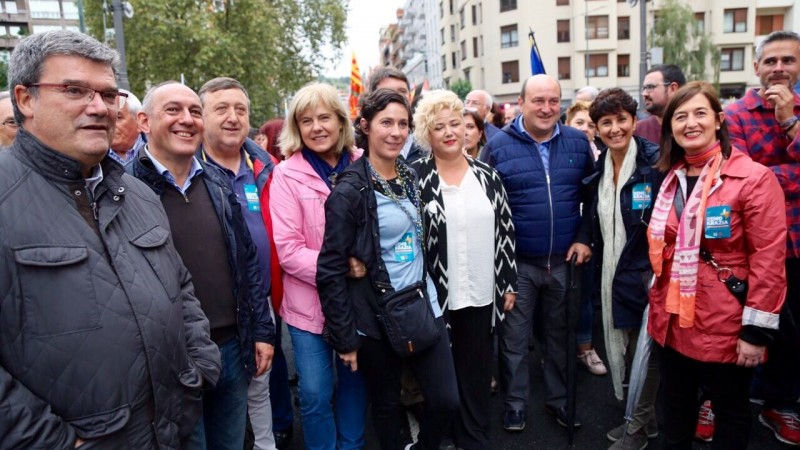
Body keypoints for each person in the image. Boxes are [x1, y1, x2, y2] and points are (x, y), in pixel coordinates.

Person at [0, 29, 220, 448]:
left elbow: (181, 288)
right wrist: (56, 442)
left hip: (170, 432)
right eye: (75, 90)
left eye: (108, 93)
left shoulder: (136, 193)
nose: (99, 107)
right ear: (26, 99)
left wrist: (199, 368)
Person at [131, 81, 276, 450]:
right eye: (173, 110)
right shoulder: (124, 189)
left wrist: (260, 330)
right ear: (144, 121)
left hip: (232, 346)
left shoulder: (216, 182)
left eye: (194, 111)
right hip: (171, 359)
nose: (187, 120)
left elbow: (247, 264)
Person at [317, 88, 459, 450]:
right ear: (364, 126)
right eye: (386, 123)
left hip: (422, 305)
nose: (396, 132)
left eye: (403, 124)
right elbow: (330, 271)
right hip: (377, 317)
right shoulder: (349, 190)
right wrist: (346, 338)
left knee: (445, 401)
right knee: (386, 407)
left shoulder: (410, 175)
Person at [648, 81, 786, 450]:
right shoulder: (668, 178)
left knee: (730, 413)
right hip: (672, 320)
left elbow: (769, 260)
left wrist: (756, 334)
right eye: (680, 116)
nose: (690, 123)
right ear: (670, 128)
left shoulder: (753, 178)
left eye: (699, 113)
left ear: (719, 120)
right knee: (674, 411)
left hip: (724, 322)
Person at [481, 74, 595, 432]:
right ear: (521, 103)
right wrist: (501, 268)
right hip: (519, 266)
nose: (546, 108)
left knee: (560, 338)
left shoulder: (578, 143)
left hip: (564, 262)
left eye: (553, 101)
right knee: (514, 341)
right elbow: (486, 206)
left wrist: (584, 236)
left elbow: (592, 200)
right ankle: (515, 405)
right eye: (538, 100)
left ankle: (559, 401)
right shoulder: (498, 146)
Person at [412, 89, 517, 450]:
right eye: (438, 126)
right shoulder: (415, 179)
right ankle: (442, 435)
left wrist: (508, 282)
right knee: (441, 375)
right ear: (428, 134)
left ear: (468, 128)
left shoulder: (488, 175)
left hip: (481, 292)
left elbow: (505, 230)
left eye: (455, 123)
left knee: (475, 371)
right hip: (437, 295)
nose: (449, 132)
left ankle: (473, 437)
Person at [269, 82, 367, 450]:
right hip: (307, 305)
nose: (317, 127)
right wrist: (341, 267)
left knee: (355, 383)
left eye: (324, 117)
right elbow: (288, 250)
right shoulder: (286, 174)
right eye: (306, 120)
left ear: (341, 122)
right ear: (296, 127)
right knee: (314, 393)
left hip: (358, 303)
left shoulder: (364, 163)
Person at [196, 77, 292, 450]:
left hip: (262, 298)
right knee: (216, 404)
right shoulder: (188, 170)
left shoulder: (266, 167)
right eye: (221, 108)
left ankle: (267, 443)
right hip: (210, 312)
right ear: (202, 116)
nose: (233, 117)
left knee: (259, 386)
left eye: (240, 109)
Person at [724, 30, 800, 446]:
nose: (779, 69)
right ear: (757, 68)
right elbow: (741, 178)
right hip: (750, 242)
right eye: (771, 61)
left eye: (788, 61)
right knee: (742, 321)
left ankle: (779, 403)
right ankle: (727, 399)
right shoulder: (736, 113)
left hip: (797, 242)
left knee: (790, 329)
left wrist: (789, 122)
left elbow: (757, 176)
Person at [584, 88, 662, 449]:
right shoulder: (600, 166)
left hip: (646, 273)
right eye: (606, 122)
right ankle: (645, 421)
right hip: (613, 273)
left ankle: (637, 426)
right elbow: (595, 217)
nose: (615, 128)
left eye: (621, 120)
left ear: (634, 121)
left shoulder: (654, 163)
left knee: (644, 354)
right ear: (597, 128)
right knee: (630, 351)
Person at [564, 100, 607, 379]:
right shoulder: (563, 152)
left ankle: (586, 347)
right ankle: (555, 353)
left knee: (587, 297)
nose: (586, 129)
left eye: (592, 125)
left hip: (589, 236)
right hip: (562, 238)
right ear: (567, 124)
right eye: (580, 123)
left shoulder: (602, 156)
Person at [368, 67, 423, 164]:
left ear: (410, 97)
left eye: (402, 91)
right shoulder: (356, 152)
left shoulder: (428, 141)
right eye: (387, 91)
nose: (396, 97)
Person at [635, 64, 686, 144]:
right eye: (644, 88)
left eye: (650, 87)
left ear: (673, 88)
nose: (644, 94)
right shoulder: (638, 130)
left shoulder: (692, 127)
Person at [109, 88, 145, 164]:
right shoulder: (92, 158)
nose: (109, 124)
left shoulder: (159, 152)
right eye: (105, 117)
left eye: (118, 118)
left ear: (139, 122)